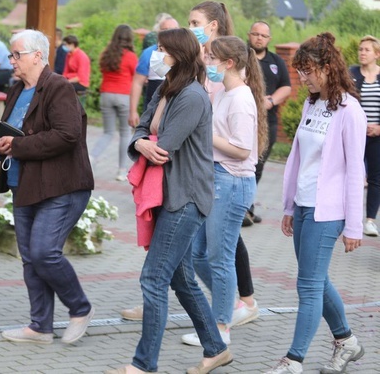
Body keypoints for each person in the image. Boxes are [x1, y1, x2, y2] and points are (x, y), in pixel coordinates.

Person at [109, 28, 232, 374]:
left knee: (153, 278)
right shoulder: (166, 89)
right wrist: (140, 143)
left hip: (186, 197)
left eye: (162, 50)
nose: (157, 56)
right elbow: (142, 130)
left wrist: (146, 143)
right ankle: (216, 348)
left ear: (177, 54)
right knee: (181, 279)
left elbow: (164, 147)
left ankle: (143, 364)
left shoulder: (193, 96)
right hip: (168, 193)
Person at [265, 32, 365, 374]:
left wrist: (354, 225)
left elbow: (355, 171)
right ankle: (347, 341)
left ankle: (293, 360)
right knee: (316, 280)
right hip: (305, 206)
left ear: (326, 68)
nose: (302, 77)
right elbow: (299, 159)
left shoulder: (350, 110)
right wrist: (291, 206)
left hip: (329, 211)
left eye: (307, 71)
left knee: (307, 284)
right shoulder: (311, 103)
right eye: (300, 71)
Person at [0, 29, 95, 345]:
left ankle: (80, 309)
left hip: (61, 186)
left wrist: (19, 145)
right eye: (10, 55)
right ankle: (40, 327)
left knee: (44, 253)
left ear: (37, 55)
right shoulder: (16, 89)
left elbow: (67, 135)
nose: (11, 61)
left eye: (16, 55)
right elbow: (11, 131)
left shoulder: (59, 88)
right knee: (30, 258)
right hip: (24, 184)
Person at [185, 36, 268, 348]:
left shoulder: (241, 98)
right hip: (216, 179)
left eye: (212, 59)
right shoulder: (224, 92)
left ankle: (220, 330)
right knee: (197, 254)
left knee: (220, 259)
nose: (208, 63)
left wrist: (204, 132)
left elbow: (242, 149)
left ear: (229, 63)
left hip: (232, 183)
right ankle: (228, 307)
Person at [244, 21, 291, 226]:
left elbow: (286, 87)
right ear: (249, 35)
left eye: (263, 35)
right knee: (242, 164)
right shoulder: (241, 57)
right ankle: (242, 209)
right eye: (255, 34)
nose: (259, 38)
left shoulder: (276, 61)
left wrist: (270, 100)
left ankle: (248, 208)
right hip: (243, 119)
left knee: (258, 167)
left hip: (267, 122)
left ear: (269, 39)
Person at [90, 24, 138, 181]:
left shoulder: (106, 54)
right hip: (123, 95)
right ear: (129, 38)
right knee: (125, 133)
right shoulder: (130, 56)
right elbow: (136, 77)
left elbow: (103, 70)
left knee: (108, 132)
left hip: (106, 95)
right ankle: (121, 171)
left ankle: (93, 156)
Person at [349, 35, 380, 237]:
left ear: (377, 54)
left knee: (376, 178)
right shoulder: (351, 73)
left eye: (367, 50)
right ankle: (348, 218)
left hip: (377, 136)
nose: (362, 52)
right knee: (352, 175)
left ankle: (370, 220)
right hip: (355, 135)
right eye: (360, 49)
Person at [129, 15, 178, 127]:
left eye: (173, 29)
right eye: (165, 30)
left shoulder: (185, 53)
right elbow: (137, 83)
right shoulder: (149, 53)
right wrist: (132, 111)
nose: (169, 33)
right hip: (152, 109)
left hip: (175, 111)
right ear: (158, 32)